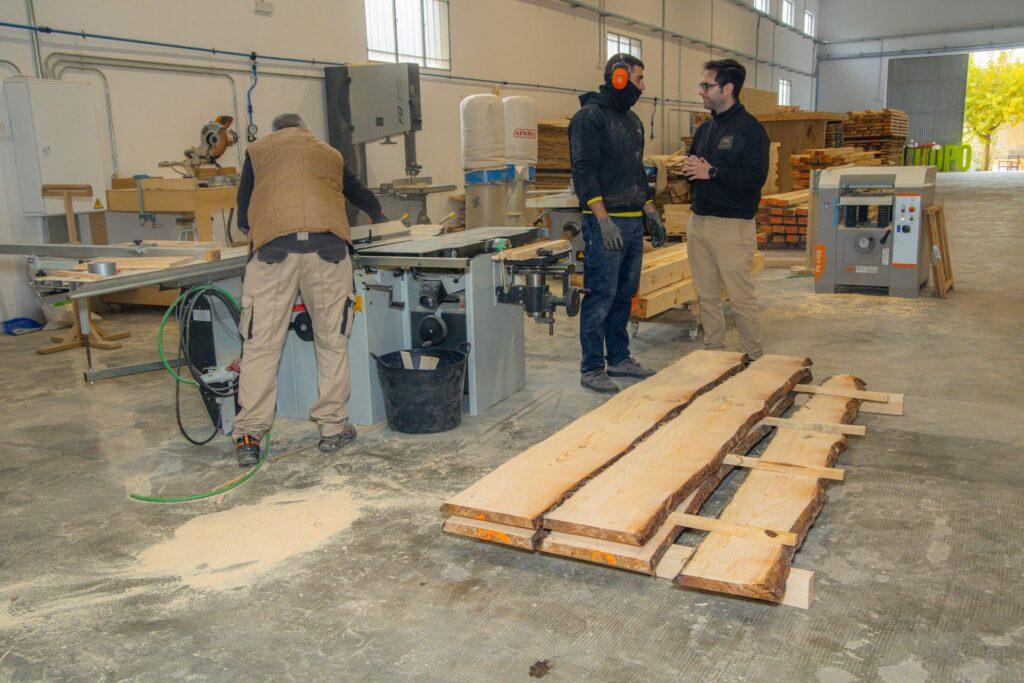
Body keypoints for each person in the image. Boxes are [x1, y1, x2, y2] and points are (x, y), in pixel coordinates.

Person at [232, 113, 388, 467]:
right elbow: (357, 191)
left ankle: (249, 435)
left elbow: (243, 215)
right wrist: (377, 214)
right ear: (304, 130)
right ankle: (332, 429)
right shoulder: (328, 152)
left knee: (261, 346)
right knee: (332, 342)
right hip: (328, 249)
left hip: (274, 251)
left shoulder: (259, 150)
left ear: (276, 131)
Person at [569, 53, 667, 394]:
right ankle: (592, 367)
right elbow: (583, 173)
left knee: (624, 294)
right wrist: (603, 220)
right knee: (601, 295)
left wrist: (650, 210)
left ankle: (619, 358)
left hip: (631, 224)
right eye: (639, 79)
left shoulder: (633, 121)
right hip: (605, 224)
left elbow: (635, 173)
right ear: (619, 77)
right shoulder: (589, 117)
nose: (643, 86)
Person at [682, 59, 769, 361]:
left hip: (732, 226)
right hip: (699, 222)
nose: (701, 91)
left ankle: (755, 358)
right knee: (706, 296)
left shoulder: (751, 130)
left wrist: (713, 172)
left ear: (728, 88)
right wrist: (691, 169)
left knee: (740, 298)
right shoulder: (705, 129)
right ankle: (714, 355)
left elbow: (755, 178)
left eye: (706, 86)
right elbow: (695, 169)